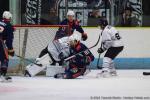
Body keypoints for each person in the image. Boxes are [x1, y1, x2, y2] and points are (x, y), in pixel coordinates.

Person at [0, 11, 15, 82]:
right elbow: (9, 40)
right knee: (5, 58)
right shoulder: (9, 26)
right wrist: (11, 50)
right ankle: (2, 76)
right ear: (10, 18)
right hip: (1, 42)